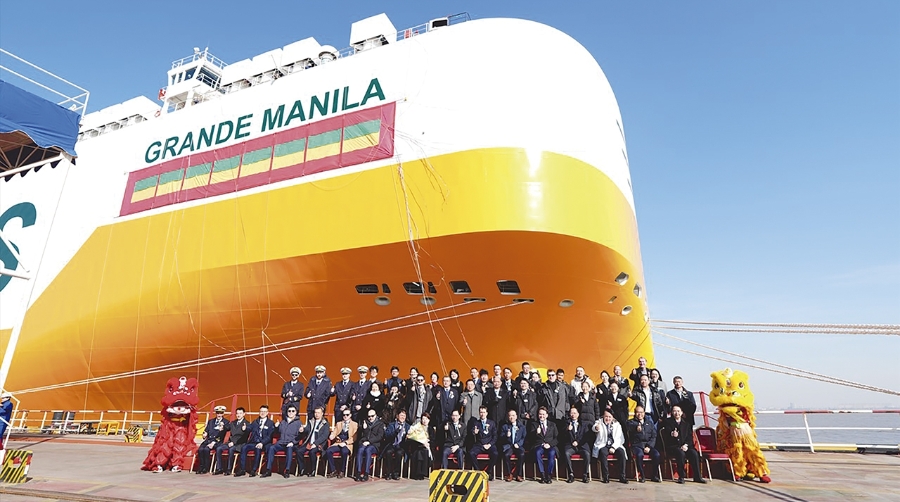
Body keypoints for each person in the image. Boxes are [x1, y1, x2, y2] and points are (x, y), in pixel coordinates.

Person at [660, 405, 707, 484]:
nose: (676, 413)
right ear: (672, 412)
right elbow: (666, 433)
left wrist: (686, 445)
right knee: (680, 453)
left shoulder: (686, 424)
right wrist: (672, 434)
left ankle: (697, 476)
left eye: (678, 411)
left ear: (681, 413)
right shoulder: (668, 422)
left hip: (685, 446)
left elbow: (689, 438)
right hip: (673, 446)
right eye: (674, 411)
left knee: (694, 453)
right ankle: (681, 476)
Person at [261, 405, 302, 478]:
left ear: (296, 412)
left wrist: (292, 442)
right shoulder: (283, 422)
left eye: (293, 411)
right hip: (281, 443)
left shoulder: (298, 423)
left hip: (291, 444)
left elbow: (300, 436)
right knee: (271, 448)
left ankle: (287, 470)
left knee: (289, 450)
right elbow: (277, 432)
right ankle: (268, 470)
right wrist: (276, 427)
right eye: (289, 411)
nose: (291, 412)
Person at [235, 405, 274, 477]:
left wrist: (262, 443)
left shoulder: (270, 423)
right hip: (254, 442)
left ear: (267, 413)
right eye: (261, 411)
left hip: (264, 443)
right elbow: (249, 428)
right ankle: (242, 469)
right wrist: (245, 428)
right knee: (244, 447)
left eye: (264, 411)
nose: (262, 413)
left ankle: (254, 470)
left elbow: (269, 436)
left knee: (258, 449)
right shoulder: (255, 422)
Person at [592, 410, 628, 484]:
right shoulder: (599, 422)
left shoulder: (617, 424)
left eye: (609, 417)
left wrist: (614, 447)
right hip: (603, 444)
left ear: (612, 417)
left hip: (615, 445)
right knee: (602, 452)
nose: (608, 419)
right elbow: (594, 428)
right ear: (603, 416)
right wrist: (596, 428)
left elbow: (620, 439)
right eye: (606, 416)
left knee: (622, 453)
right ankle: (606, 476)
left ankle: (622, 476)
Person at [627, 405, 661, 483]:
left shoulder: (649, 423)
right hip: (637, 445)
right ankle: (642, 475)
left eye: (641, 412)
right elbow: (629, 427)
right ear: (635, 413)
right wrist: (636, 427)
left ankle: (654, 475)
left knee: (657, 455)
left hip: (648, 445)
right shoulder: (631, 422)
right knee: (639, 455)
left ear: (644, 413)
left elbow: (654, 436)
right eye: (638, 412)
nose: (640, 414)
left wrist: (649, 446)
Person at [214, 407, 249, 475]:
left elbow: (244, 437)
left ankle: (229, 469)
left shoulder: (246, 423)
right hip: (230, 442)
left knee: (231, 449)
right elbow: (227, 428)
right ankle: (219, 468)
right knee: (219, 448)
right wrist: (223, 427)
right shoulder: (233, 422)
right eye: (237, 413)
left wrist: (234, 442)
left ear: (244, 414)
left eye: (240, 413)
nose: (238, 415)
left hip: (239, 444)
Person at [196, 405, 230, 474]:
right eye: (218, 413)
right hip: (208, 440)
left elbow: (225, 431)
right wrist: (204, 434)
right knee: (200, 449)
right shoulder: (211, 421)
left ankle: (206, 467)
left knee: (206, 449)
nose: (219, 415)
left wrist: (214, 442)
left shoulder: (225, 422)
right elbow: (206, 430)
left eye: (221, 413)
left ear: (223, 413)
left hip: (217, 441)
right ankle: (201, 467)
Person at [562, 407, 592, 484]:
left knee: (587, 454)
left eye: (575, 413)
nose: (573, 415)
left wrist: (578, 442)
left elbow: (586, 437)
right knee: (566, 453)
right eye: (571, 413)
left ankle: (585, 474)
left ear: (578, 414)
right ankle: (571, 474)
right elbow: (562, 437)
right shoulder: (566, 423)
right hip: (571, 446)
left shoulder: (584, 423)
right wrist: (567, 430)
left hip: (581, 445)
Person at [467, 406, 497, 481]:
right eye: (481, 412)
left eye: (484, 412)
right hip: (479, 444)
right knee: (471, 453)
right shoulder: (476, 423)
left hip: (489, 444)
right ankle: (479, 472)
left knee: (495, 454)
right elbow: (472, 433)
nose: (482, 414)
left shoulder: (492, 423)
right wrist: (474, 432)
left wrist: (489, 444)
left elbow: (495, 436)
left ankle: (488, 472)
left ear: (487, 413)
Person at [324, 409, 357, 478]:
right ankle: (333, 470)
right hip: (338, 442)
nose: (345, 416)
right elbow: (335, 432)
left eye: (347, 415)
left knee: (344, 451)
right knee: (328, 451)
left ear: (350, 415)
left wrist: (345, 442)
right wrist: (332, 435)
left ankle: (342, 471)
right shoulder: (339, 423)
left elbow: (354, 437)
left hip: (347, 444)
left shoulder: (354, 424)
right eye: (344, 415)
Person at [297, 406, 329, 477]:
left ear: (322, 414)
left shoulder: (325, 424)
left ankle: (313, 470)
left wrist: (316, 443)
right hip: (309, 443)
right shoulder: (311, 421)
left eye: (318, 413)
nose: (316, 414)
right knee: (299, 451)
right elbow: (307, 429)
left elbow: (324, 436)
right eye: (315, 412)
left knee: (312, 452)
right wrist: (303, 429)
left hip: (319, 444)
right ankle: (302, 469)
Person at [354, 408, 384, 482]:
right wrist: (363, 428)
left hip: (374, 444)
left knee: (368, 450)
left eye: (372, 416)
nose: (370, 418)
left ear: (375, 415)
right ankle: (358, 472)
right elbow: (361, 435)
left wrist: (369, 441)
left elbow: (380, 436)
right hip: (364, 442)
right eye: (369, 416)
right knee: (360, 450)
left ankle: (366, 473)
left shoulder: (380, 423)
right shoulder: (365, 422)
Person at [531, 407, 558, 484]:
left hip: (550, 446)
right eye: (540, 414)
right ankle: (542, 475)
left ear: (546, 415)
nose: (541, 416)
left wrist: (549, 444)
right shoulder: (534, 424)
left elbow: (556, 438)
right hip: (539, 445)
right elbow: (530, 438)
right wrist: (536, 433)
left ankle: (549, 475)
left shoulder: (552, 424)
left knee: (552, 453)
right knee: (537, 452)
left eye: (543, 414)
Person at [382, 409, 410, 480]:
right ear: (397, 416)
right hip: (392, 444)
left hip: (401, 445)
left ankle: (396, 473)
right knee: (388, 452)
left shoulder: (407, 426)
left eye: (404, 415)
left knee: (399, 453)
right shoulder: (391, 425)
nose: (403, 417)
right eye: (401, 415)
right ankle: (388, 473)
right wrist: (395, 432)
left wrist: (408, 438)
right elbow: (387, 435)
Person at [500, 409, 526, 482]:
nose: (511, 417)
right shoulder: (505, 426)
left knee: (522, 454)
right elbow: (501, 438)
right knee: (506, 455)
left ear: (516, 416)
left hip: (518, 446)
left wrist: (519, 444)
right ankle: (509, 474)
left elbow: (524, 437)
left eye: (513, 415)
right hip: (509, 446)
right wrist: (506, 436)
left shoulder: (521, 426)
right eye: (510, 416)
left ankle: (519, 474)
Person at [406, 412, 433, 480]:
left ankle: (422, 473)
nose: (424, 420)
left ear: (429, 420)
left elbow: (433, 439)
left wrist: (428, 442)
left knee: (424, 452)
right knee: (418, 452)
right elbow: (413, 438)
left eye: (426, 419)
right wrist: (421, 442)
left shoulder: (430, 429)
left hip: (427, 447)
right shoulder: (417, 427)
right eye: (423, 419)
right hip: (417, 446)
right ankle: (417, 473)